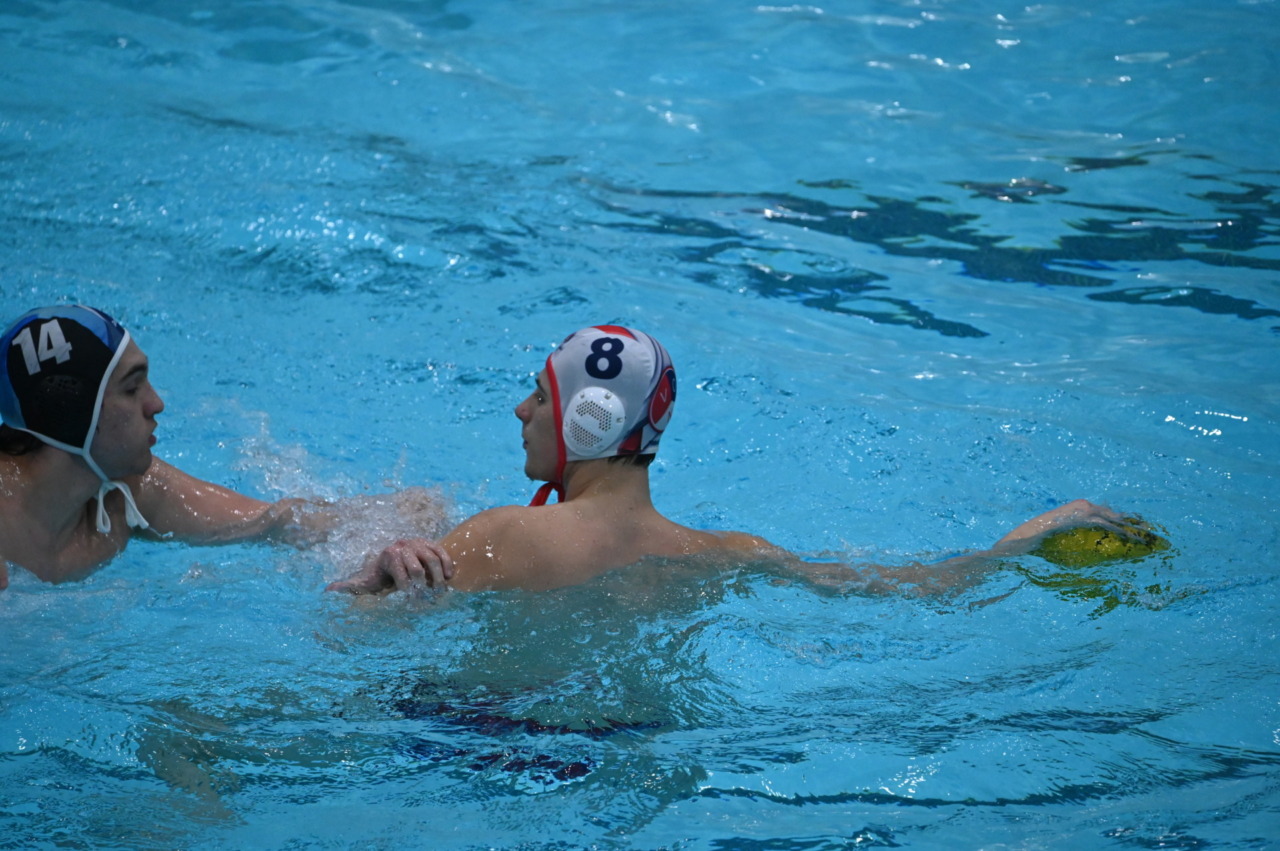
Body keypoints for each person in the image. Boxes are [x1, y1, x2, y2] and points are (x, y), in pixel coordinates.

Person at [329, 324, 1143, 596]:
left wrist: (373, 577)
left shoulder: (505, 535)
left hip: (483, 741)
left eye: (539, 394)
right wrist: (1027, 539)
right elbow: (910, 590)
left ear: (588, 417)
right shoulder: (723, 556)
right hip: (632, 745)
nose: (520, 410)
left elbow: (352, 638)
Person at [0, 305, 331, 590]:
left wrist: (366, 555)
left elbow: (279, 520)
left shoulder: (124, 495)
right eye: (132, 389)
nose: (156, 403)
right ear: (70, 414)